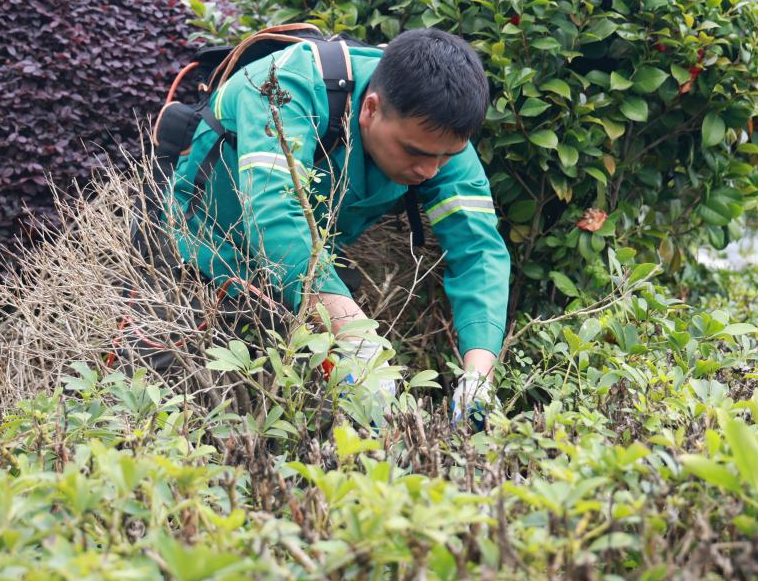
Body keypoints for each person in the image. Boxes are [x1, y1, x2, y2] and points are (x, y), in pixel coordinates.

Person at [168, 28, 510, 425]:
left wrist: (479, 375)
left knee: (320, 417)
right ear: (370, 108)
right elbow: (273, 212)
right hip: (200, 252)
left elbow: (479, 252)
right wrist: (358, 338)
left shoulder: (435, 134)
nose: (429, 171)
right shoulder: (284, 85)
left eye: (446, 157)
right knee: (190, 404)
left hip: (303, 266)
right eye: (415, 153)